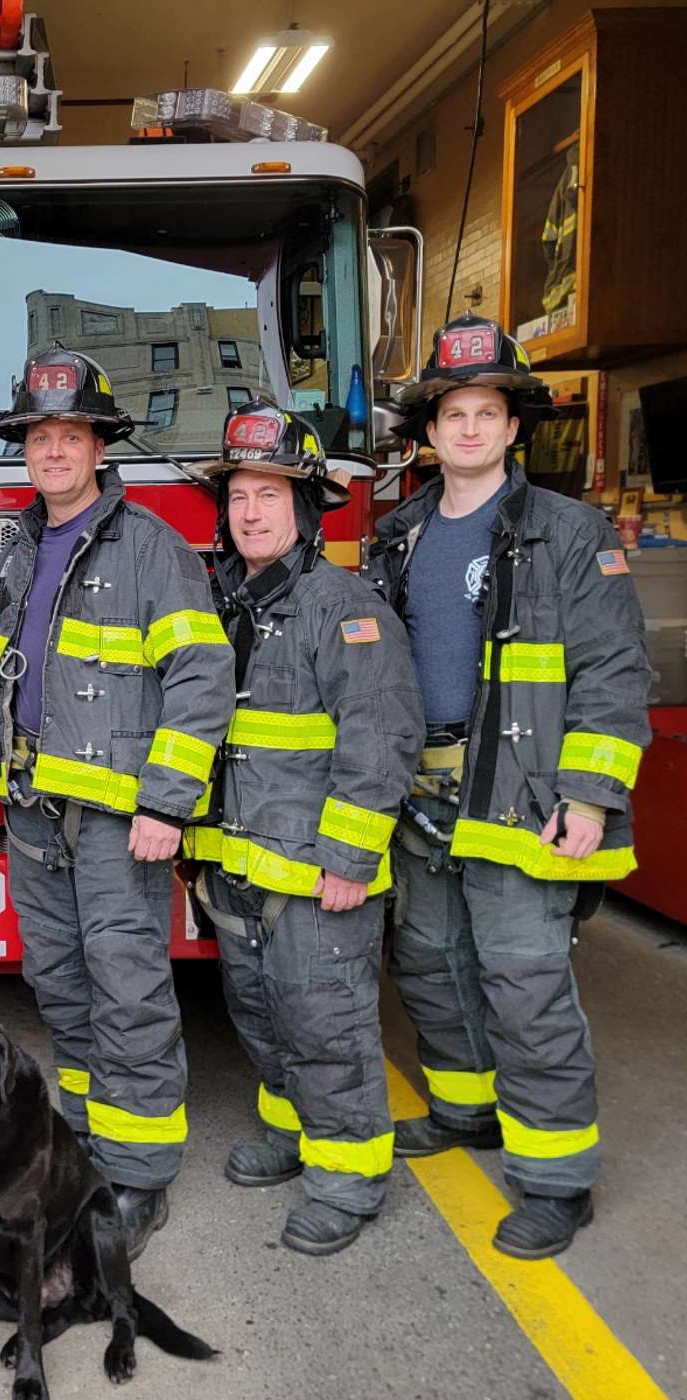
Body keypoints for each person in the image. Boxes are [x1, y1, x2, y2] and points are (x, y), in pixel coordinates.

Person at [0, 347, 234, 1260]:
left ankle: (139, 1181)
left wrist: (169, 802)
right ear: (25, 448)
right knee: (61, 989)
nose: (53, 450)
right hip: (33, 813)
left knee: (129, 991)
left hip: (115, 824)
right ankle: (93, 1145)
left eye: (70, 435)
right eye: (40, 435)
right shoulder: (23, 547)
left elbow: (203, 676)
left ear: (100, 448)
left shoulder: (152, 550)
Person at [367, 314, 652, 1259]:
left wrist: (589, 795)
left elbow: (613, 672)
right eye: (454, 413)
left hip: (524, 797)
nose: (471, 429)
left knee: (525, 987)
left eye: (488, 411)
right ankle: (466, 1113)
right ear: (432, 430)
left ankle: (556, 1179)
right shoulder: (399, 534)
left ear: (513, 425)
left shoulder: (571, 532)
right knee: (433, 970)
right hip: (422, 797)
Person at [183, 403, 423, 1256]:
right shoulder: (221, 604)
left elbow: (381, 735)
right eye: (241, 496)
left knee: (328, 1027)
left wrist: (352, 858)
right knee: (261, 1013)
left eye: (271, 496)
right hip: (239, 868)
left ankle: (349, 1176)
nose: (251, 512)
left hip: (319, 878)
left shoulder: (343, 610)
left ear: (307, 509)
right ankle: (291, 1134)